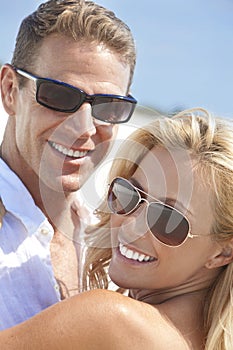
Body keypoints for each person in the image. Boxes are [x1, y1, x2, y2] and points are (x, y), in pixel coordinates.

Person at [1, 108, 232, 349]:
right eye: (128, 194)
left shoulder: (110, 320)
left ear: (222, 253)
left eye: (167, 219)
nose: (131, 225)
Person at [0, 0, 137, 330]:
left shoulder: (116, 248)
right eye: (60, 97)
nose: (85, 128)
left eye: (108, 106)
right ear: (9, 90)